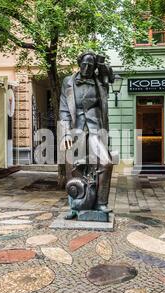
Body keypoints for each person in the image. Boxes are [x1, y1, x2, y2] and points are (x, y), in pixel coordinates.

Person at [59, 52, 113, 219]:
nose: (87, 68)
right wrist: (66, 133)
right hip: (76, 130)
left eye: (91, 65)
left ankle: (101, 203)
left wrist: (101, 64)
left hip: (96, 129)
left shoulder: (100, 84)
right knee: (73, 168)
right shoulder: (68, 82)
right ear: (79, 63)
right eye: (85, 64)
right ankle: (74, 207)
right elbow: (64, 110)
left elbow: (109, 75)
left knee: (106, 163)